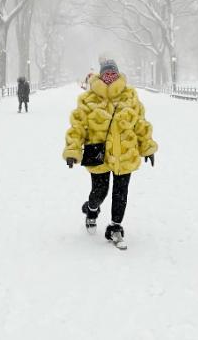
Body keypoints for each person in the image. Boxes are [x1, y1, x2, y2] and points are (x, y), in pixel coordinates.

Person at [62, 58, 157, 250]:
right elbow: (77, 127)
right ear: (100, 75)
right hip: (99, 154)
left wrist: (147, 147)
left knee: (121, 193)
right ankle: (91, 209)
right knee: (100, 192)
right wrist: (72, 150)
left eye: (113, 73)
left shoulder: (130, 97)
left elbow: (141, 124)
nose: (110, 77)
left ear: (118, 75)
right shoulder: (88, 99)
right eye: (106, 74)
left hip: (125, 154)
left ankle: (115, 227)